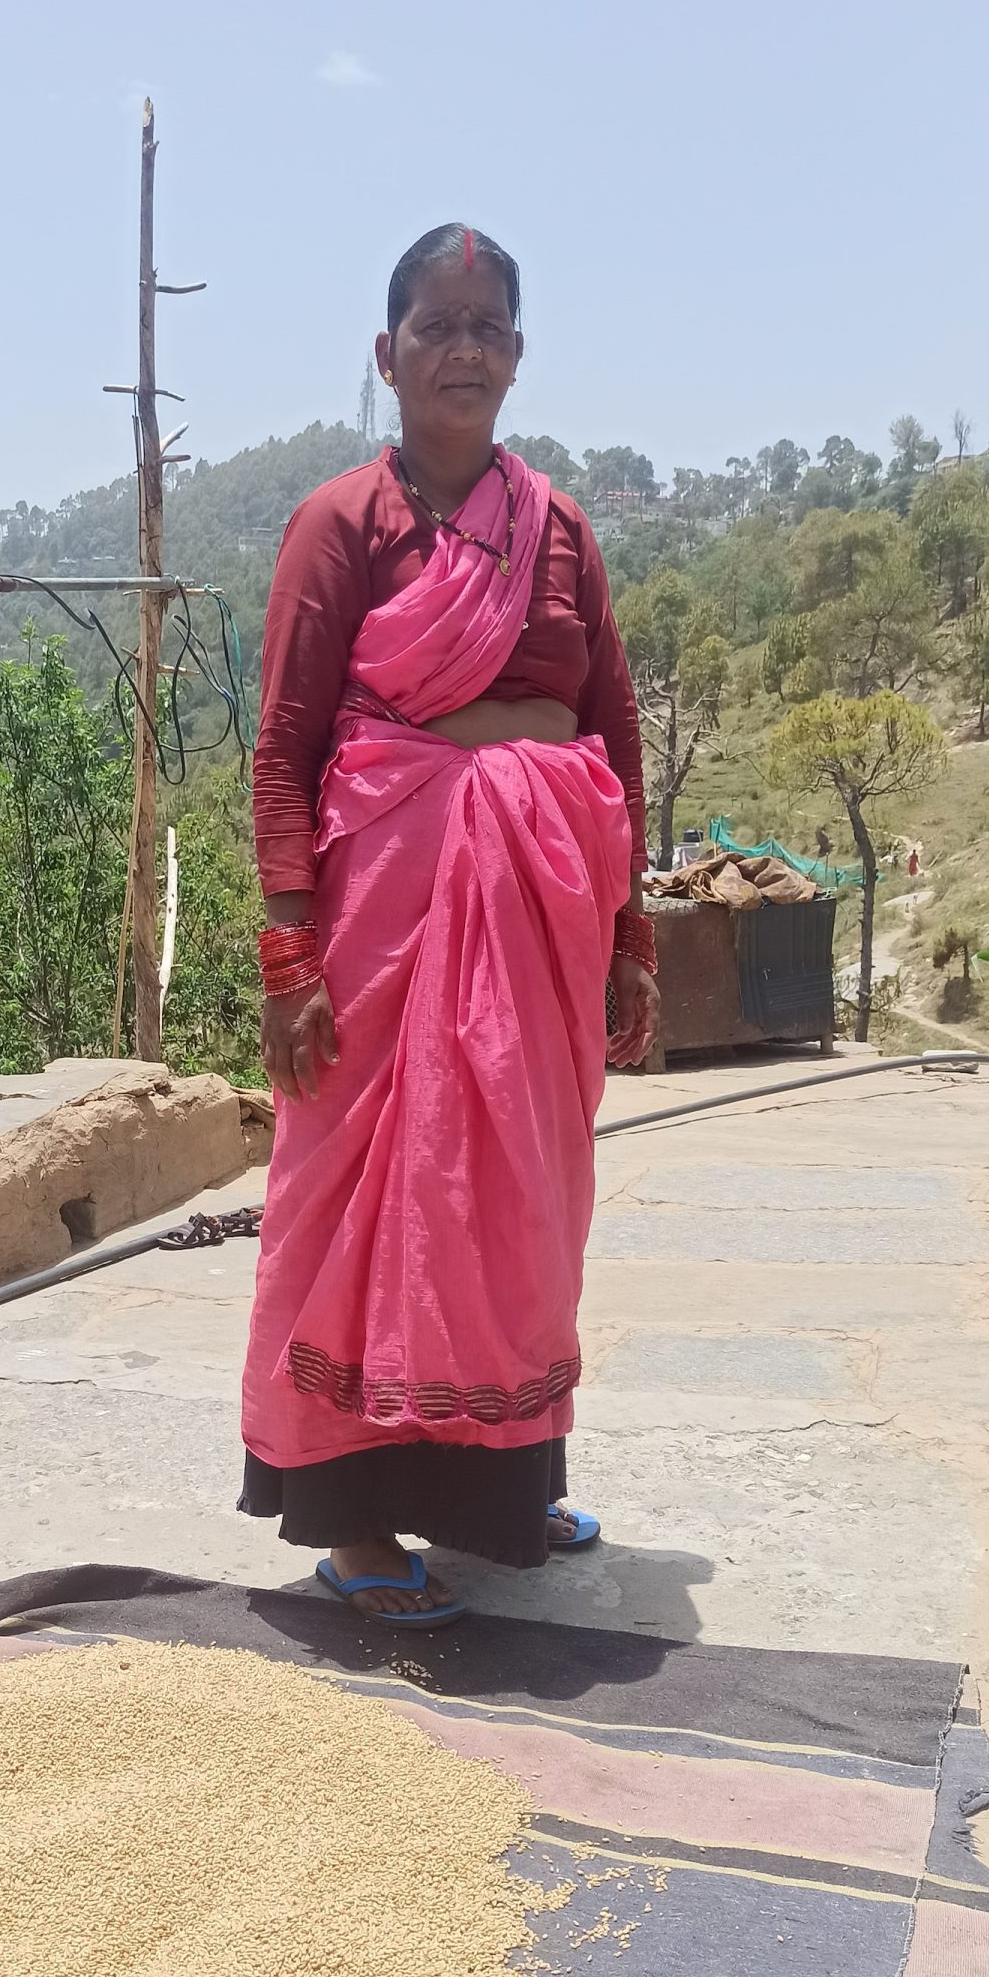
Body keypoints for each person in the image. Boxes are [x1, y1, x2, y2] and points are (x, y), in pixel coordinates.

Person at [237, 223, 657, 1623]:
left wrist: (631, 935)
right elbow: (287, 746)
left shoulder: (563, 534)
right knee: (358, 1202)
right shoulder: (340, 525)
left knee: (514, 1196)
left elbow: (613, 731)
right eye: (436, 325)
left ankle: (503, 1485)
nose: (463, 347)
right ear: (388, 355)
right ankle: (352, 1522)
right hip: (379, 920)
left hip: (538, 914)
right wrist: (287, 955)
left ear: (519, 356)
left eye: (488, 326)